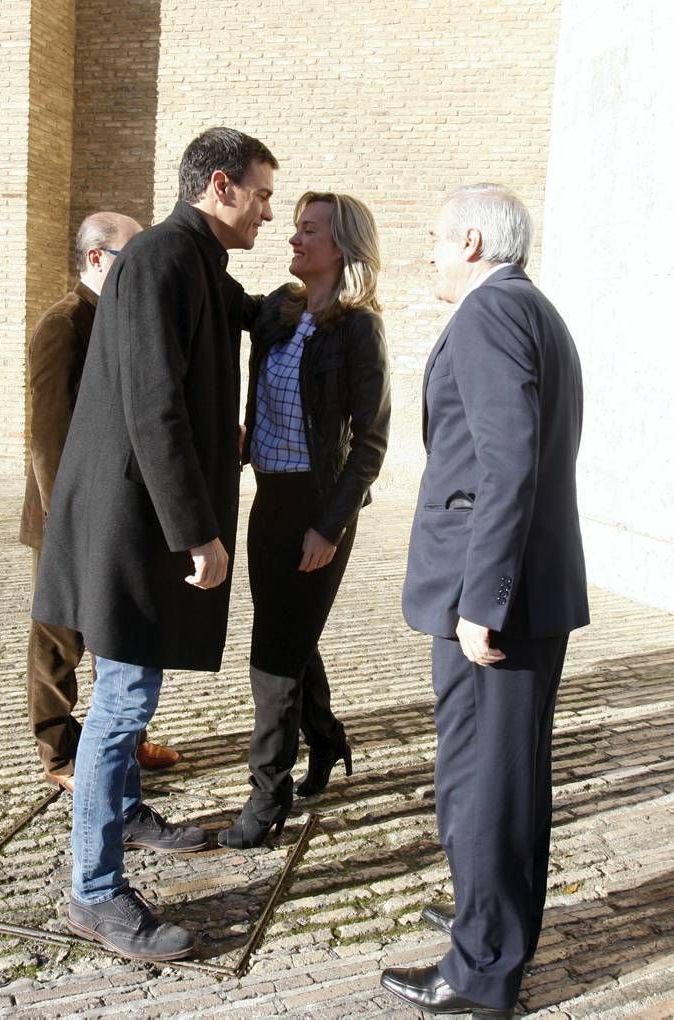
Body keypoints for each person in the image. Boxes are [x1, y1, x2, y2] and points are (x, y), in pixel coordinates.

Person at [31, 127, 278, 961]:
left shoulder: (193, 261)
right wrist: (197, 532)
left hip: (141, 521)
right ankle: (94, 891)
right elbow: (153, 409)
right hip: (136, 524)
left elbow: (241, 312)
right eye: (264, 194)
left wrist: (310, 295)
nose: (271, 213)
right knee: (124, 702)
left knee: (129, 687)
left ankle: (126, 812)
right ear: (221, 185)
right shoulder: (164, 260)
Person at [381, 184, 589, 1017]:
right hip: (514, 591)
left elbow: (510, 463)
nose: (429, 252)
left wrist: (483, 600)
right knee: (497, 775)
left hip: (496, 601)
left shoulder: (488, 313)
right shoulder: (530, 308)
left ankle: (481, 970)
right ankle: (486, 916)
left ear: (469, 240)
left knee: (488, 779)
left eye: (435, 238)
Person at [218, 192, 390, 849]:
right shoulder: (278, 310)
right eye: (293, 227)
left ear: (340, 246)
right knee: (289, 635)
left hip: (319, 511)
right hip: (269, 502)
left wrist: (331, 524)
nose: (294, 240)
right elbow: (219, 295)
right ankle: (327, 737)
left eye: (308, 231)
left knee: (273, 657)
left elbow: (370, 442)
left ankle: (268, 798)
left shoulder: (358, 329)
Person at [19, 212, 181, 793]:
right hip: (67, 513)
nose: (136, 272)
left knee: (116, 631)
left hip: (111, 513)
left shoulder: (120, 319)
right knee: (59, 636)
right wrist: (66, 517)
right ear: (95, 259)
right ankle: (59, 752)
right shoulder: (64, 324)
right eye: (127, 259)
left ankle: (127, 738)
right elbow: (48, 434)